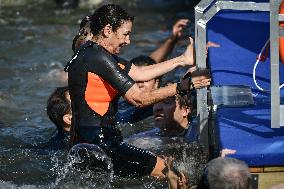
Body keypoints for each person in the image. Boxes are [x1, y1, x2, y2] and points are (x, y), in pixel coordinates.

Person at [65, 3, 210, 183]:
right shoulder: (99, 58)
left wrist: (182, 60)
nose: (128, 41)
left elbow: (140, 73)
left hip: (82, 145)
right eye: (125, 34)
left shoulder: (89, 53)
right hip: (103, 144)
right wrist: (183, 86)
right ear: (108, 30)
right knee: (173, 174)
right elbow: (139, 99)